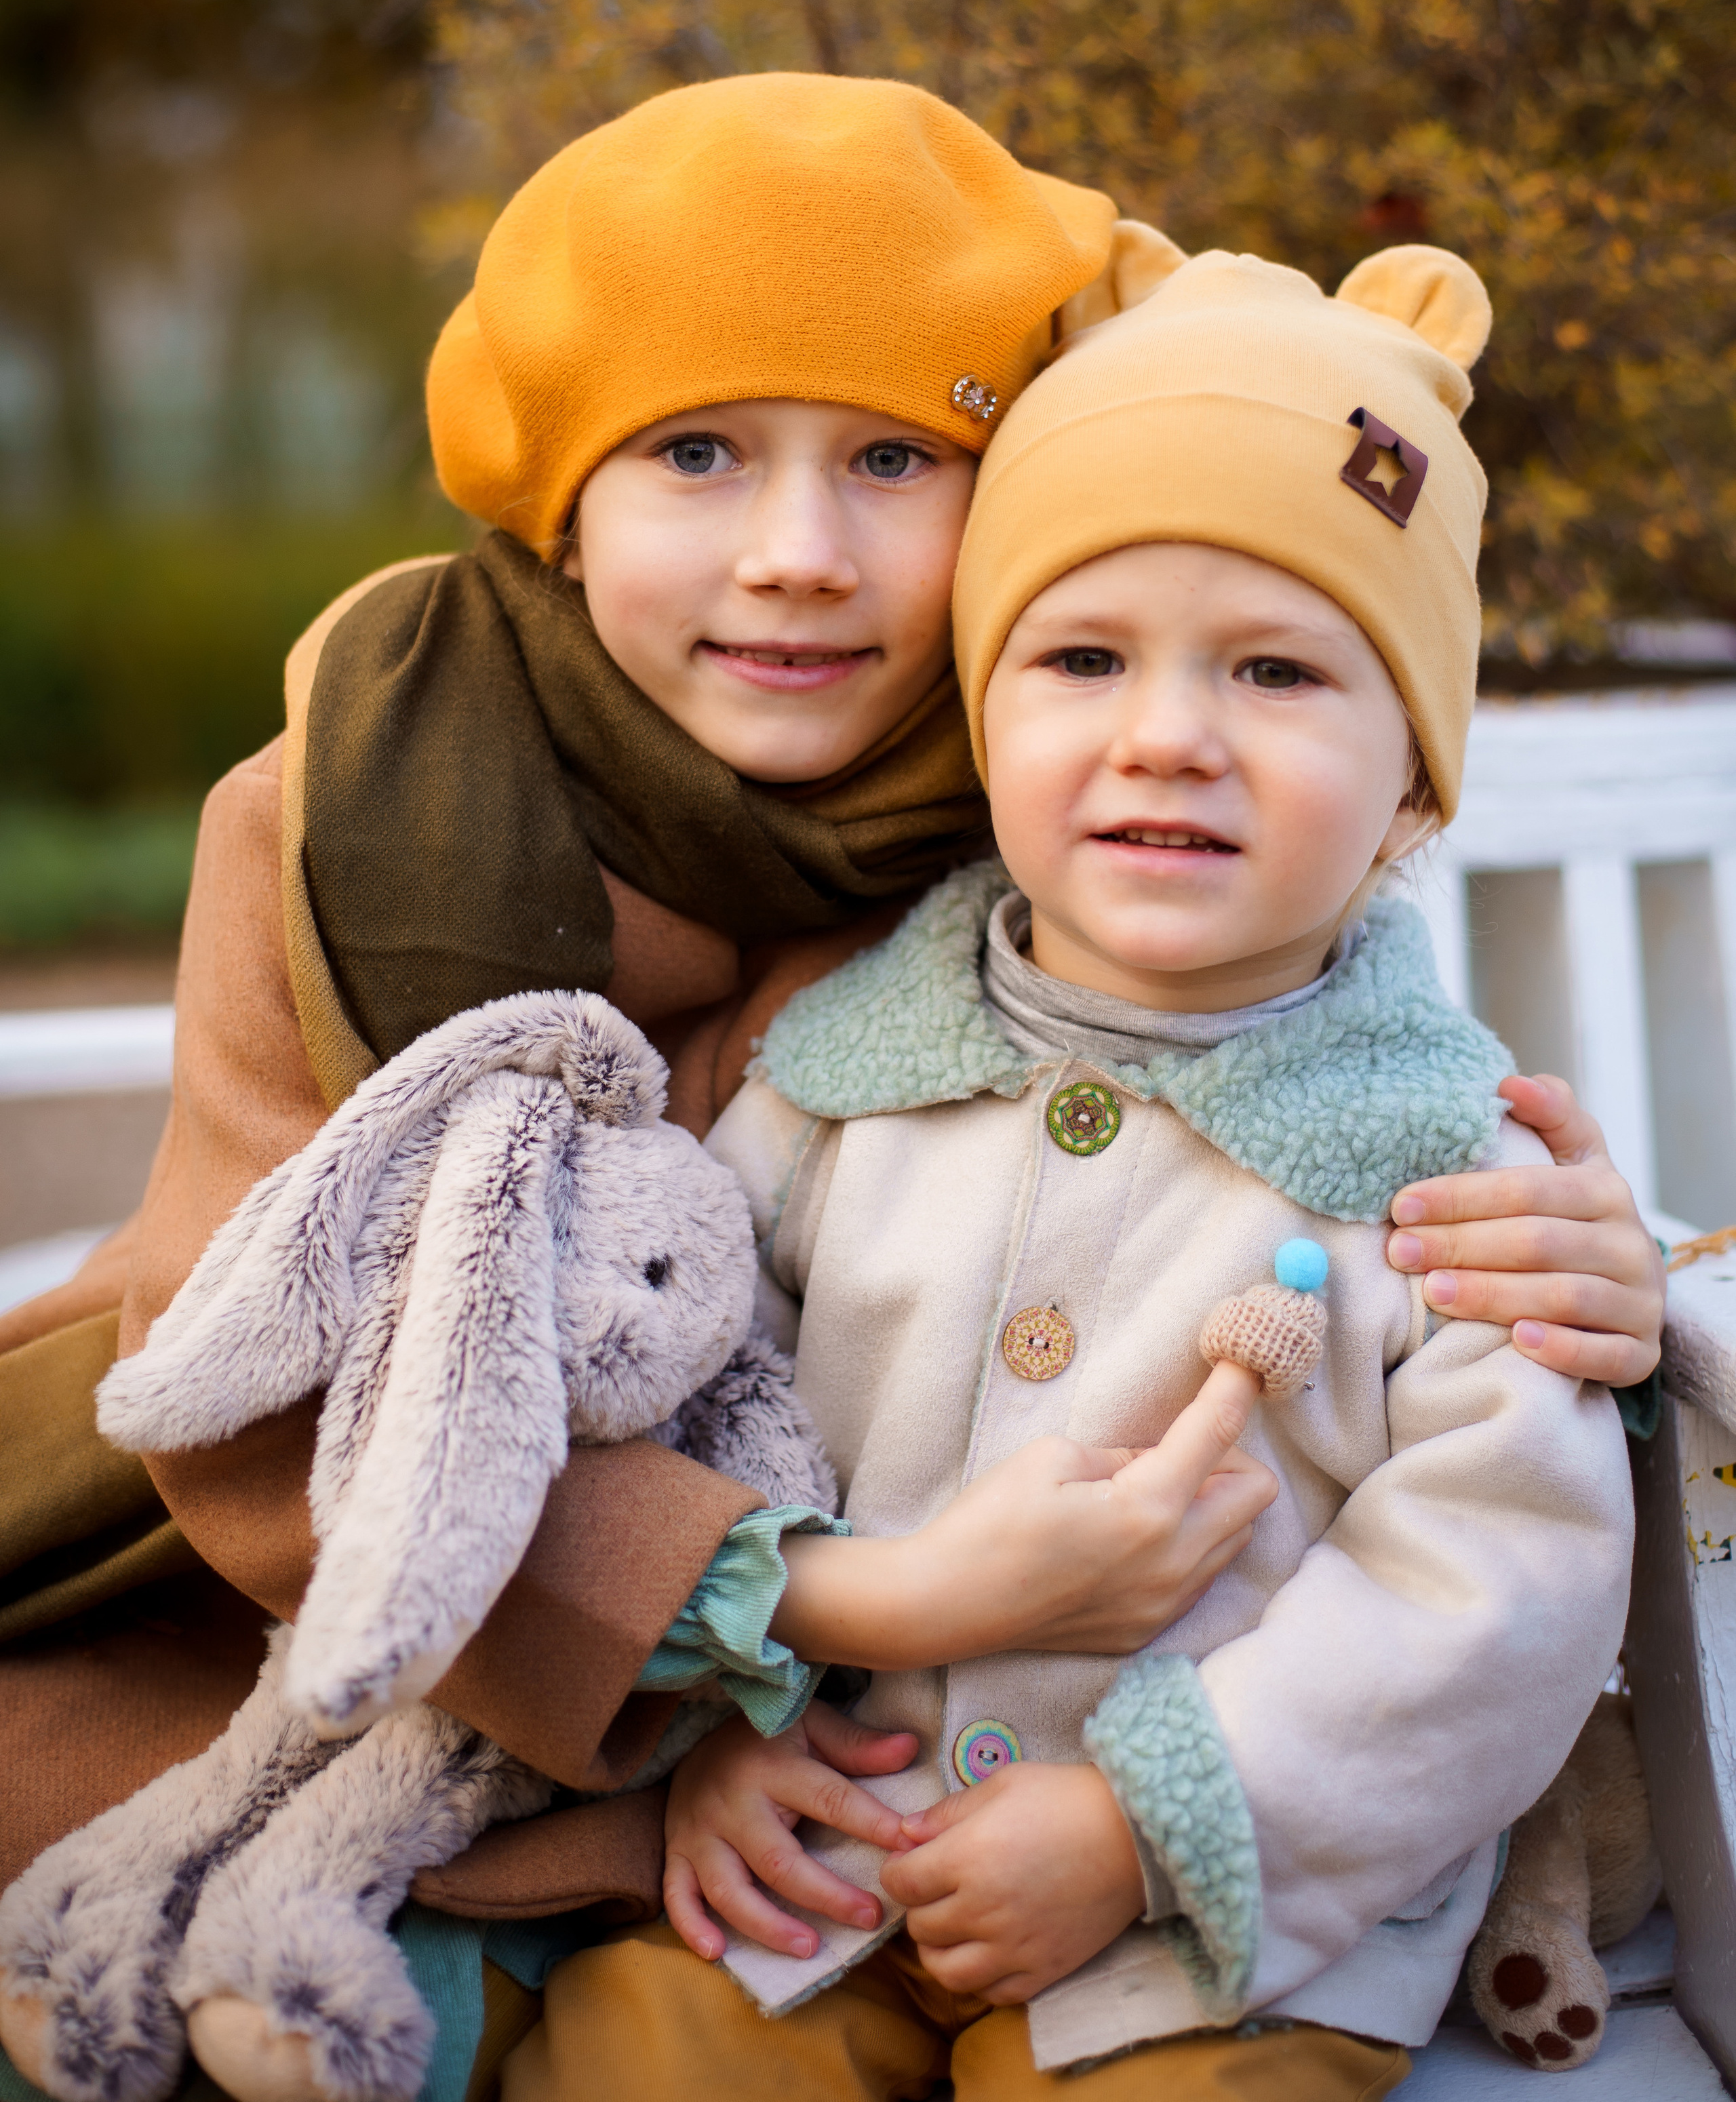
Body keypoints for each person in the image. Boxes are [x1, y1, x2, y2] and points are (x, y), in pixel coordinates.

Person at [0, 83, 1661, 2055]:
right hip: (331, 1580)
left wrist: (1616, 1276)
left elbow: (1376, 1193)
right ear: (559, 492)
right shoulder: (354, 813)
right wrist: (818, 1640)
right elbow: (280, 1376)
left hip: (883, 1777)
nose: (795, 555)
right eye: (694, 451)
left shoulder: (1056, 781)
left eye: (893, 455)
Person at [520, 241, 1636, 2101]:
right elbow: (691, 1409)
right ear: (985, 713)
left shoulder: (1448, 1174)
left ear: (1420, 790)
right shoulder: (833, 1083)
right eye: (1085, 658)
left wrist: (1147, 1827)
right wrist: (712, 1742)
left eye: (1278, 670)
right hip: (833, 1865)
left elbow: (1499, 1583)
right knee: (643, 2050)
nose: (1169, 735)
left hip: (1214, 1947)